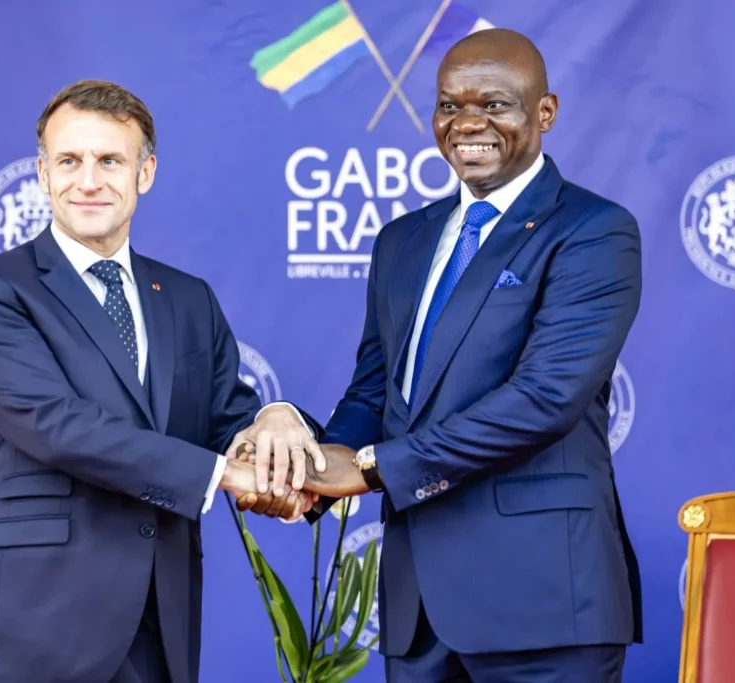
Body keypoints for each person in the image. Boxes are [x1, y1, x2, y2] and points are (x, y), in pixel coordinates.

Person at [237, 28, 644, 682]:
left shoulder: (594, 231)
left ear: (545, 112)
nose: (468, 123)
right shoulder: (402, 240)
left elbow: (543, 401)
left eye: (495, 104)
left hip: (544, 606)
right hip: (419, 612)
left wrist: (370, 469)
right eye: (450, 105)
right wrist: (307, 472)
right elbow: (376, 394)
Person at [0, 79, 324, 683]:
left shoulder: (188, 298)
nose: (88, 181)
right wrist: (223, 474)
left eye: (109, 160)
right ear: (43, 173)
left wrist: (275, 420)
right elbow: (57, 427)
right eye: (69, 161)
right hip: (25, 626)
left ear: (145, 172)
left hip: (157, 622)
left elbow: (227, 420)